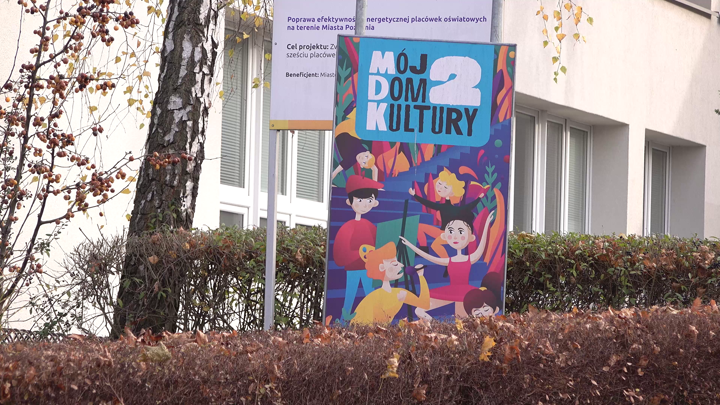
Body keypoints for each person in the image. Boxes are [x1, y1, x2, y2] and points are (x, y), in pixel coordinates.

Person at [399, 208, 495, 320]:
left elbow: (481, 246)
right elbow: (428, 257)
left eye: (461, 232)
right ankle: (433, 325)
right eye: (451, 232)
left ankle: (453, 329)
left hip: (466, 293)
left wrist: (487, 224)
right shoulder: (449, 260)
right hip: (450, 290)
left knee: (462, 320)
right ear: (445, 236)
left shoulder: (470, 258)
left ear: (471, 237)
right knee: (419, 309)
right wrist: (410, 245)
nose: (455, 237)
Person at [333, 175, 384, 321]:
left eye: (369, 200)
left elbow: (379, 245)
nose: (364, 205)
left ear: (375, 203)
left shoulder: (369, 226)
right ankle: (343, 321)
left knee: (371, 295)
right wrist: (360, 254)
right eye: (360, 200)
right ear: (350, 201)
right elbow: (339, 255)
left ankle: (373, 321)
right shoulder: (347, 227)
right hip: (353, 269)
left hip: (369, 269)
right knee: (349, 296)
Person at [350, 242, 430, 326]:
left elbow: (424, 304)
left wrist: (421, 276)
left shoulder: (399, 293)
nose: (401, 265)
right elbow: (370, 322)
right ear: (381, 268)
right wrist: (397, 301)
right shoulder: (372, 299)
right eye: (395, 264)